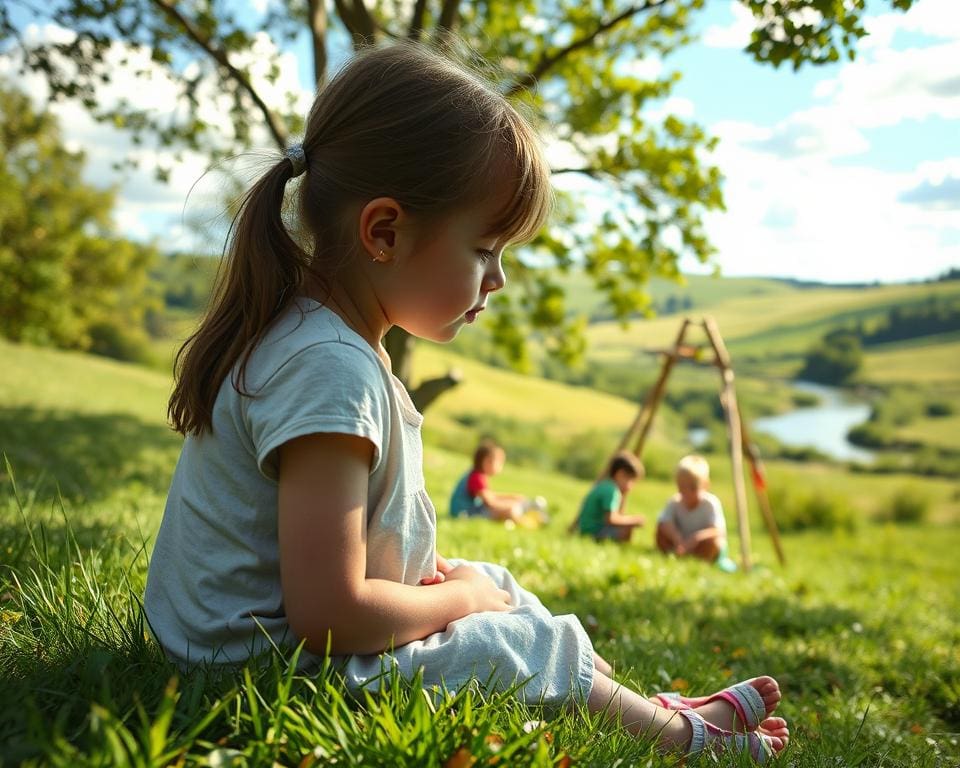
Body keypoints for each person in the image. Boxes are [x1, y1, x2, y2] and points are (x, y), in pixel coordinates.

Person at [144, 43, 786, 760]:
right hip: (260, 673)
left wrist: (463, 586)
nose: (499, 279)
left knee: (497, 583)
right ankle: (676, 738)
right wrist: (460, 602)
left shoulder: (318, 342)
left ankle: (629, 705)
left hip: (251, 651)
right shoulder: (329, 367)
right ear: (384, 232)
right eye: (485, 250)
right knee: (499, 625)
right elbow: (329, 614)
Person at [655, 455, 738, 572]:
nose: (687, 492)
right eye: (682, 487)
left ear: (705, 485)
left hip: (700, 545)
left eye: (693, 488)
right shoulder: (675, 501)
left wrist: (696, 538)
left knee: (714, 542)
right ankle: (673, 554)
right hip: (681, 543)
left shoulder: (710, 503)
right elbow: (664, 522)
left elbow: (718, 531)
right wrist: (677, 539)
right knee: (661, 531)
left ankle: (702, 561)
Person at [449, 439, 548, 525]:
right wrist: (509, 506)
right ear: (487, 461)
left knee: (511, 505)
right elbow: (490, 503)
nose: (501, 466)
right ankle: (526, 522)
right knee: (510, 510)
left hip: (467, 511)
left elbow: (489, 496)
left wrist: (511, 497)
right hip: (464, 514)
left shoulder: (476, 474)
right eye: (500, 462)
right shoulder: (476, 478)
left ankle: (528, 513)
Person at [577, 452, 647, 541]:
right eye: (631, 480)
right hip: (594, 532)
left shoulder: (605, 485)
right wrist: (633, 521)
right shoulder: (612, 491)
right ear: (620, 474)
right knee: (627, 528)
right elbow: (610, 519)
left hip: (586, 529)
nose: (631, 486)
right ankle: (620, 547)